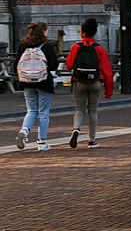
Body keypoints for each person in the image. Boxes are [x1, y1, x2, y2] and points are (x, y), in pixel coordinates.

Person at [65, 17, 115, 149]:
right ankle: (92, 140)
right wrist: (108, 91)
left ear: (82, 33)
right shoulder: (99, 48)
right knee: (93, 110)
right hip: (95, 82)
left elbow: (69, 65)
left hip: (79, 82)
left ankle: (76, 129)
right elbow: (107, 71)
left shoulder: (76, 47)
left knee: (79, 109)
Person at [13, 21, 58, 151]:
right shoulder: (47, 46)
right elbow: (53, 65)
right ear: (44, 31)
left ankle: (24, 131)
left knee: (31, 110)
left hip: (26, 81)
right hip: (43, 82)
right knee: (43, 113)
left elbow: (17, 63)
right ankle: (42, 142)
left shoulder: (23, 44)